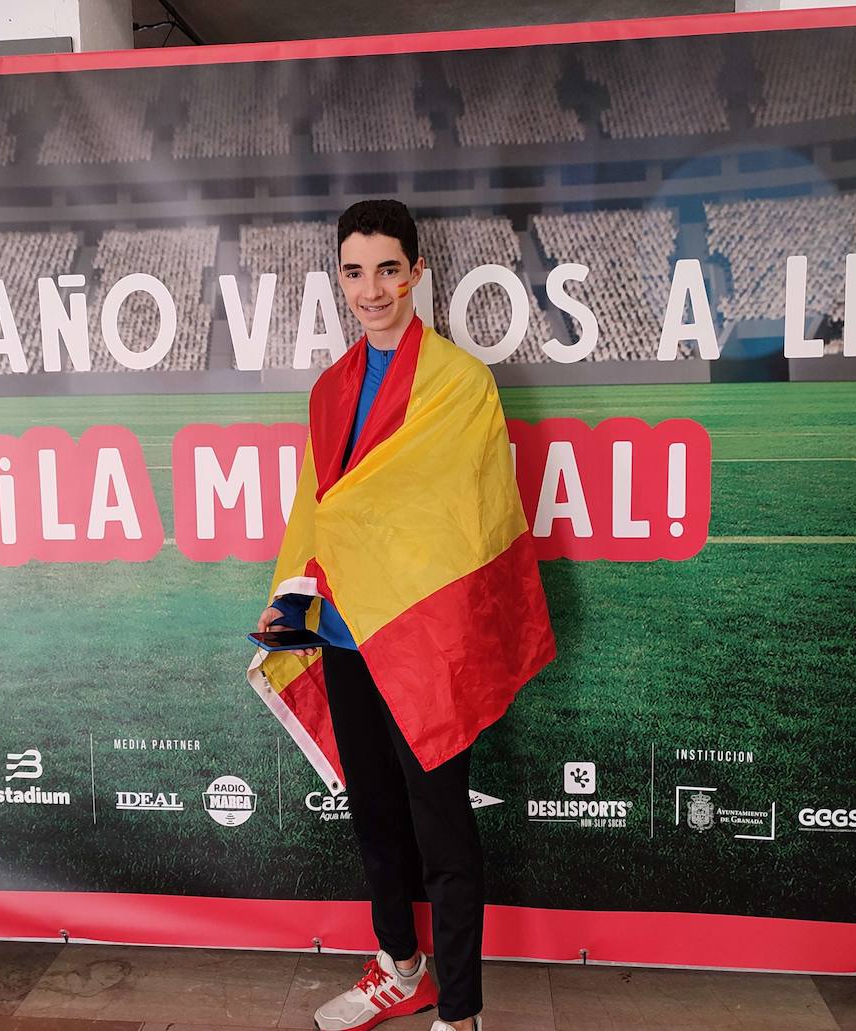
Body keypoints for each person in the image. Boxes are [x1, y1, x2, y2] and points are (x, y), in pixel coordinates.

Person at [250, 199, 555, 1031]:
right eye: (355, 271)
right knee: (375, 815)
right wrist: (290, 597)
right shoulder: (330, 389)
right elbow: (320, 511)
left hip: (424, 645)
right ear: (339, 278)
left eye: (389, 269)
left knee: (442, 831)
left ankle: (460, 1013)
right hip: (348, 637)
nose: (372, 289)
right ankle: (399, 965)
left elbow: (470, 520)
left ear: (417, 272)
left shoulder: (461, 384)